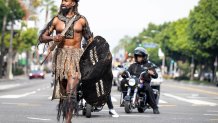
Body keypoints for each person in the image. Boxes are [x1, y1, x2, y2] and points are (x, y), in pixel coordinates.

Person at [39, 0, 93, 122]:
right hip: (60, 58)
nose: (63, 2)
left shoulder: (82, 20)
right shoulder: (56, 20)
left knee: (70, 92)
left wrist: (89, 56)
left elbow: (90, 39)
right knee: (64, 93)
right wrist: (53, 37)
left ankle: (68, 121)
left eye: (66, 0)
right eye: (62, 0)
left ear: (73, 3)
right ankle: (67, 115)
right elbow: (42, 37)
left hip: (76, 57)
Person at [123, 47, 160, 114]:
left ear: (144, 57)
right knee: (123, 82)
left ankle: (155, 107)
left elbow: (155, 75)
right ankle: (125, 99)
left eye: (140, 56)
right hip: (134, 82)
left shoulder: (149, 65)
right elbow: (127, 72)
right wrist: (124, 74)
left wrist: (152, 73)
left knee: (148, 88)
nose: (138, 58)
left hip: (143, 83)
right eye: (137, 56)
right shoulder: (133, 65)